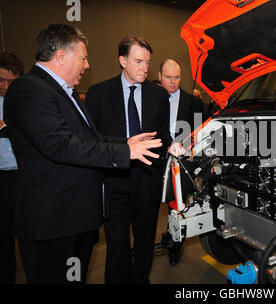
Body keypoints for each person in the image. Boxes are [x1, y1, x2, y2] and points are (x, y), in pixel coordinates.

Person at [3, 24, 162, 284]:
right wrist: (125, 151)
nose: (87, 65)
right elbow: (61, 146)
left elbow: (90, 138)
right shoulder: (28, 90)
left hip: (75, 220)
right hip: (52, 223)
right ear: (61, 56)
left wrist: (127, 141)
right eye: (83, 57)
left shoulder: (66, 93)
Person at [85, 36, 172, 284]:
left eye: (147, 62)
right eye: (138, 61)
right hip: (114, 181)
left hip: (147, 181)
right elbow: (92, 140)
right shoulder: (99, 93)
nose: (145, 68)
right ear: (122, 61)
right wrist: (126, 145)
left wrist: (165, 144)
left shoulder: (158, 95)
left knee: (145, 243)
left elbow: (164, 133)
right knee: (117, 246)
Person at [158, 59, 204, 265]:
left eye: (177, 77)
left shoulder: (192, 101)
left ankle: (175, 246)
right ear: (159, 76)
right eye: (168, 77)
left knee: (177, 206)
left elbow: (198, 131)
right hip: (155, 158)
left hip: (181, 160)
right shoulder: (151, 98)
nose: (173, 81)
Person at [0, 52, 23, 284]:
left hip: (24, 176)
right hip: (2, 179)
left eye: (11, 81)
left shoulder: (25, 100)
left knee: (28, 233)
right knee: (3, 236)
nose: (6, 86)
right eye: (0, 81)